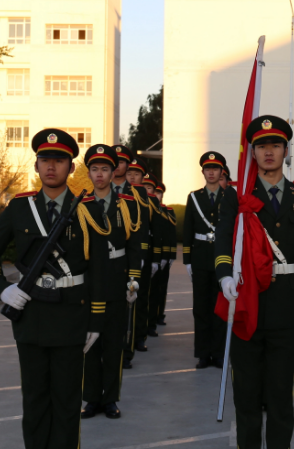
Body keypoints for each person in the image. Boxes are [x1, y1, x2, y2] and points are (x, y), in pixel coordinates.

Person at [0, 129, 102, 449]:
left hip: (72, 317)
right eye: (45, 160)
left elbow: (101, 269)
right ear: (36, 166)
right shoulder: (20, 207)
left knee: (67, 403)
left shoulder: (87, 209)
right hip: (31, 318)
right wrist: (2, 289)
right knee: (34, 402)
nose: (51, 167)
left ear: (71, 168)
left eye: (59, 161)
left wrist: (96, 320)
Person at [215, 115, 294, 449]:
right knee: (246, 396)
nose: (269, 152)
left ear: (286, 150)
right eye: (261, 146)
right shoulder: (235, 196)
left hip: (286, 304)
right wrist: (223, 275)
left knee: (280, 396)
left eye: (276, 144)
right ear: (253, 153)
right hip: (246, 301)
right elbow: (221, 241)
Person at [80, 144, 143, 420]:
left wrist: (133, 279)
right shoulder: (80, 205)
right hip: (91, 282)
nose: (100, 175)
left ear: (113, 170)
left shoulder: (126, 205)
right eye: (95, 169)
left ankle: (110, 400)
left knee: (113, 344)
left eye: (105, 169)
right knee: (90, 345)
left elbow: (135, 244)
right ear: (89, 173)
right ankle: (91, 399)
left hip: (117, 282)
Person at [183, 151, 228, 368]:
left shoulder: (230, 197)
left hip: (222, 259)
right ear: (203, 172)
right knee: (201, 308)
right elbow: (188, 229)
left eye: (215, 169)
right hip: (200, 258)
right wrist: (188, 260)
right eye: (207, 169)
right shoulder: (194, 197)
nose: (211, 172)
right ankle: (203, 353)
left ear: (221, 172)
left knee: (220, 307)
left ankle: (218, 353)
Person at [110, 145, 151, 369]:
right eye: (114, 161)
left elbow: (142, 226)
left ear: (127, 166)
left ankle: (127, 350)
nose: (117, 165)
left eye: (122, 162)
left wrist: (141, 256)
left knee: (129, 304)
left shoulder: (138, 192)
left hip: (129, 257)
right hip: (105, 258)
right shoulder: (98, 189)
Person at [129, 165, 163, 347]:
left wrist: (155, 258)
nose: (132, 177)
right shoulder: (116, 195)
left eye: (136, 174)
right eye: (129, 173)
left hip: (144, 252)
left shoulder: (149, 199)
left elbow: (154, 231)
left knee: (140, 297)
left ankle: (139, 336)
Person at [152, 181, 177, 329]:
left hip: (164, 256)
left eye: (159, 193)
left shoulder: (167, 210)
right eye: (154, 192)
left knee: (161, 287)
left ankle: (160, 314)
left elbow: (170, 235)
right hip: (152, 255)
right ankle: (151, 317)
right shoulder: (148, 208)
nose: (156, 195)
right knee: (151, 290)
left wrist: (170, 255)